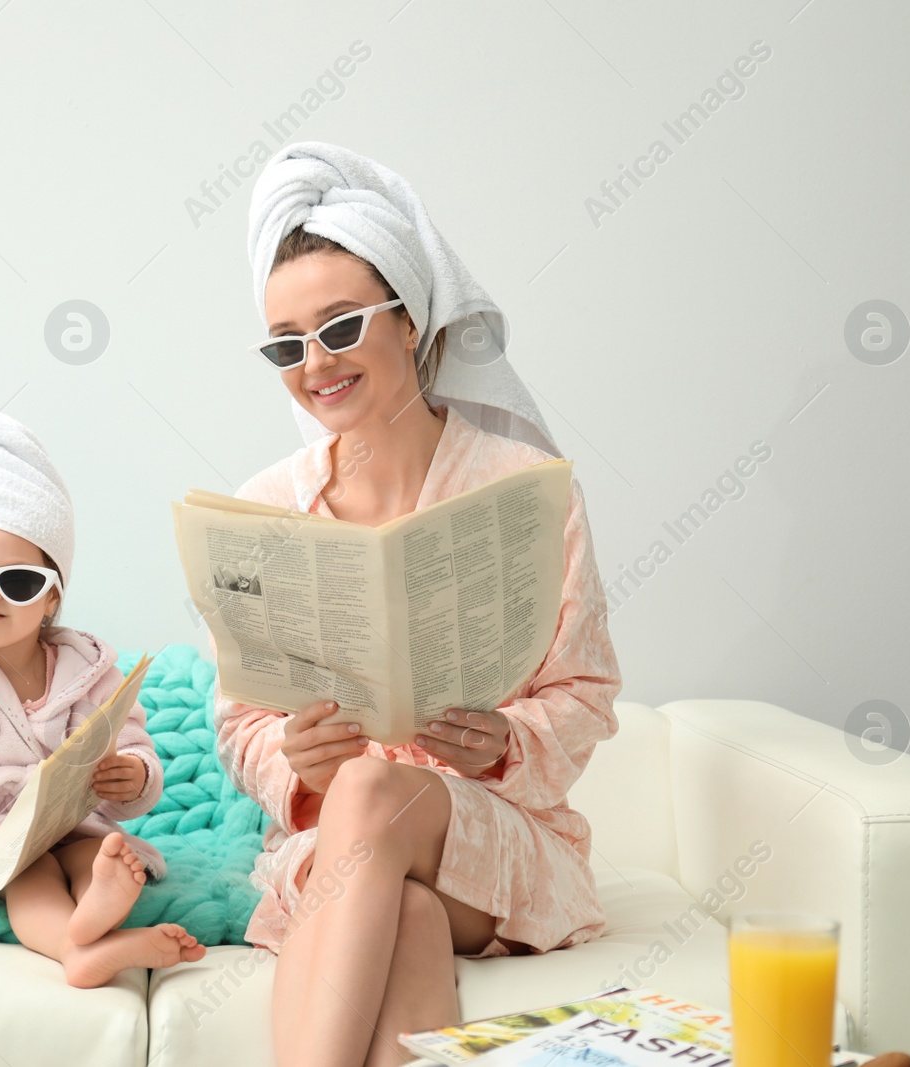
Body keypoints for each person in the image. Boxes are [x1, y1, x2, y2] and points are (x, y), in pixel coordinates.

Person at [215, 142, 623, 1067]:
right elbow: (242, 722)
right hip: (347, 859)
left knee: (372, 787)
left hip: (489, 843)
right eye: (287, 343)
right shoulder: (269, 508)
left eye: (342, 325)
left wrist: (509, 740)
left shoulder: (523, 489)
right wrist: (290, 754)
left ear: (409, 319)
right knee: (398, 902)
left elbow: (588, 689)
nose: (315, 363)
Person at [0, 410, 205, 988]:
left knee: (95, 853)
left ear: (51, 598)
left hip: (69, 823)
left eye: (19, 580)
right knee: (28, 873)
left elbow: (128, 741)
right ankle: (76, 950)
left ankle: (100, 902)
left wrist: (134, 776)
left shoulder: (87, 664)